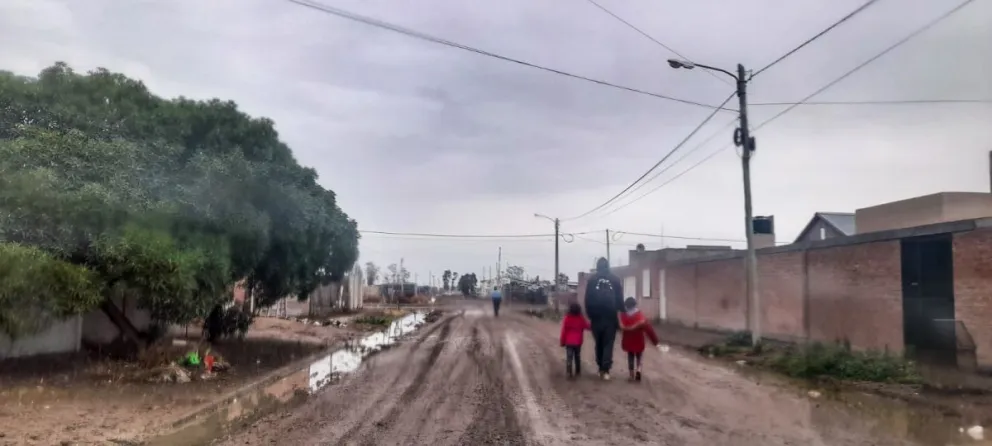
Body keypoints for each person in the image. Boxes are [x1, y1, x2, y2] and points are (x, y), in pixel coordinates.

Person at [583, 257, 624, 381]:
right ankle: (605, 370)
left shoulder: (592, 280)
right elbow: (619, 299)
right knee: (608, 343)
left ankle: (600, 366)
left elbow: (587, 299)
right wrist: (622, 313)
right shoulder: (615, 280)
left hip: (596, 317)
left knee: (599, 342)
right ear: (608, 266)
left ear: (597, 266)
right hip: (610, 318)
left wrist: (590, 315)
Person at [619, 297, 660, 381]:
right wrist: (655, 341)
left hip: (628, 340)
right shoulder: (640, 315)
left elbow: (620, 326)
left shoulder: (623, 315)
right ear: (635, 305)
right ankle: (639, 370)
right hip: (639, 340)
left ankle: (631, 374)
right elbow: (649, 329)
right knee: (639, 356)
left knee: (630, 356)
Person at [559, 302, 591, 379]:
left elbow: (564, 331)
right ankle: (578, 371)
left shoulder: (567, 318)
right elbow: (587, 326)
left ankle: (568, 372)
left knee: (569, 357)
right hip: (578, 342)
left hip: (569, 342)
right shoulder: (581, 318)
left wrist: (562, 341)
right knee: (577, 356)